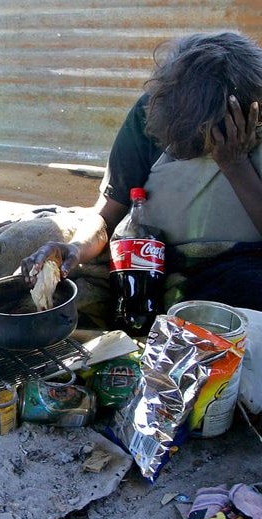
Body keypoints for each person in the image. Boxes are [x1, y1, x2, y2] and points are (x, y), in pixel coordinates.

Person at [21, 31, 262, 320]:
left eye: (210, 134)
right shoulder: (157, 109)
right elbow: (108, 215)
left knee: (238, 304)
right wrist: (74, 248)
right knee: (29, 241)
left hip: (237, 268)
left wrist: (235, 165)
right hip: (144, 257)